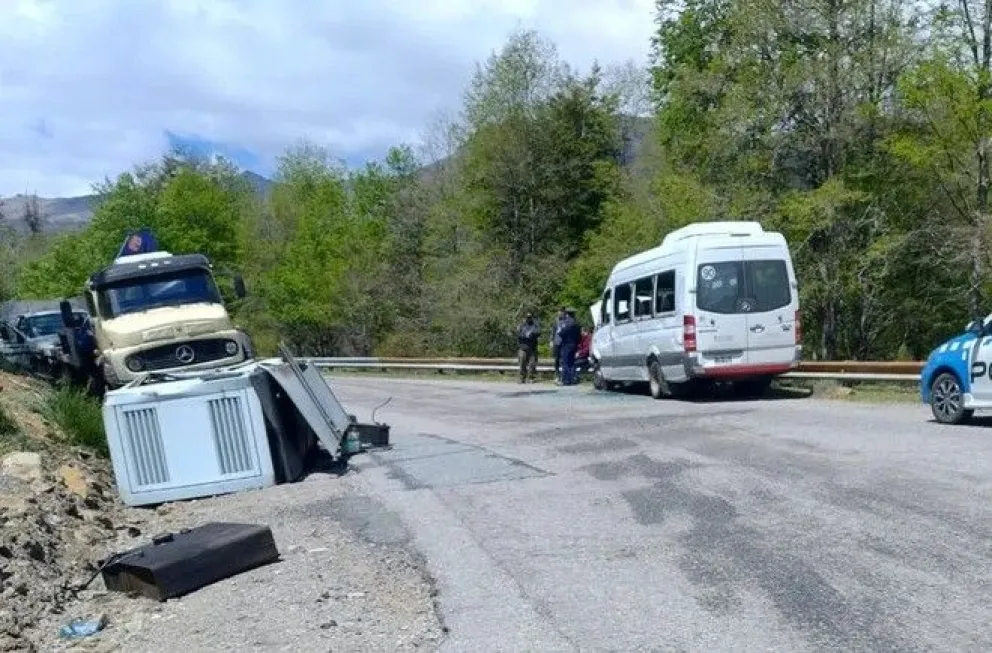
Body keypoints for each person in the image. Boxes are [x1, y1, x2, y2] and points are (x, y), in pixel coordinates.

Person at [557, 308, 581, 386]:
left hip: (566, 344)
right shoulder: (577, 323)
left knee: (565, 362)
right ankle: (572, 379)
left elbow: (561, 333)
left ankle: (565, 380)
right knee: (572, 362)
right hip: (574, 344)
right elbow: (579, 336)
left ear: (567, 314)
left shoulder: (567, 323)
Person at [516, 313, 541, 383]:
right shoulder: (521, 325)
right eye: (527, 317)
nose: (528, 319)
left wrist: (532, 333)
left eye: (530, 317)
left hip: (532, 348)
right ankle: (522, 377)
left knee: (532, 364)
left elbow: (539, 332)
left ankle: (531, 377)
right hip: (523, 347)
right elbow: (518, 334)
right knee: (522, 362)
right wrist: (525, 335)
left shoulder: (535, 325)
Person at [550, 307, 566, 383]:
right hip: (556, 342)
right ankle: (557, 375)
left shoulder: (566, 320)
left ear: (564, 313)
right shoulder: (556, 321)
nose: (559, 313)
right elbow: (553, 331)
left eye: (561, 312)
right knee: (556, 360)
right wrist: (551, 341)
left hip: (564, 342)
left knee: (563, 360)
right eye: (558, 312)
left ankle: (563, 376)